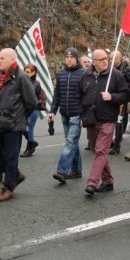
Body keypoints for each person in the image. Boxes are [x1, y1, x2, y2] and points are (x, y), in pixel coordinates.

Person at [0, 48, 36, 201]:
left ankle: (8, 187)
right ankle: (16, 174)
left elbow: (31, 102)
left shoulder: (22, 77)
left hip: (13, 125)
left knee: (12, 157)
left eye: (2, 58)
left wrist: (19, 117)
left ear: (12, 60)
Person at [80, 49, 129, 196]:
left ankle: (92, 182)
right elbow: (80, 96)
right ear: (93, 61)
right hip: (91, 119)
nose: (105, 61)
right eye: (100, 59)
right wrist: (82, 115)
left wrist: (112, 97)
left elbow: (126, 94)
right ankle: (108, 181)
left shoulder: (116, 75)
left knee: (101, 151)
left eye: (106, 58)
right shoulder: (86, 76)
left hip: (108, 119)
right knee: (98, 151)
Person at [50, 48, 86, 183]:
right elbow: (57, 95)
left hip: (77, 114)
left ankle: (62, 171)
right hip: (64, 114)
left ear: (76, 58)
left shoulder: (84, 73)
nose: (69, 59)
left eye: (72, 56)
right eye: (67, 56)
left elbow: (87, 96)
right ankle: (76, 170)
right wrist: (52, 111)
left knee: (70, 142)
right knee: (72, 143)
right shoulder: (60, 74)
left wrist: (85, 115)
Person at [20, 63, 47, 157]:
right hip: (23, 109)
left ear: (33, 73)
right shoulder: (22, 81)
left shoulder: (36, 83)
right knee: (22, 128)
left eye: (28, 72)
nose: (25, 73)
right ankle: (33, 142)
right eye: (24, 71)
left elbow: (30, 96)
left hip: (33, 109)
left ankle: (29, 149)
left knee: (29, 129)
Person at [109, 50, 130, 155]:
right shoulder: (110, 68)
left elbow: (128, 85)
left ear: (120, 58)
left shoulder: (126, 69)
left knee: (119, 122)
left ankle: (117, 146)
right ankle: (112, 142)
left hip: (122, 100)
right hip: (111, 98)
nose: (111, 61)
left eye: (114, 58)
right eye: (110, 59)